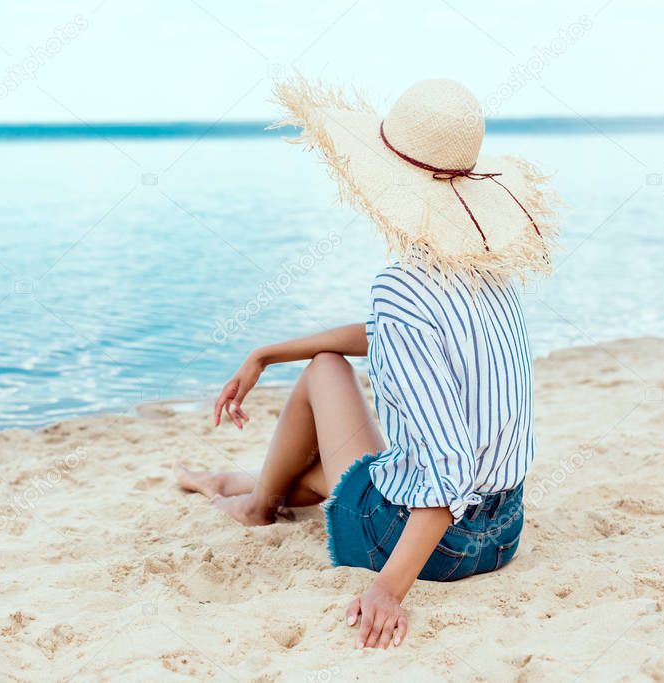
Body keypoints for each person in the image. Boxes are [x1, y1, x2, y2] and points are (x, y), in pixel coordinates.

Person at [175, 76, 559, 650]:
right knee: (330, 403)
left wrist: (386, 590)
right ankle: (261, 484)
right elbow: (393, 333)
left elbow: (444, 470)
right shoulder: (488, 270)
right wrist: (267, 352)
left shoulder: (402, 288)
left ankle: (258, 502)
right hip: (504, 531)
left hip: (435, 545)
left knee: (325, 369)